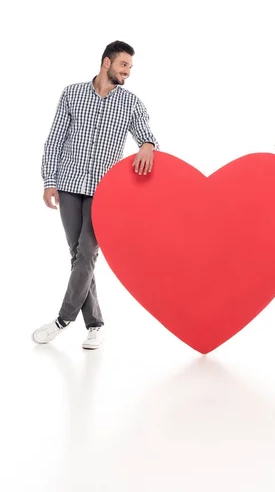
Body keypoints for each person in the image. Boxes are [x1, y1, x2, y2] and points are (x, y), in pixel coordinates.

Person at [32, 40, 158, 350]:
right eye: (124, 65)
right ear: (107, 63)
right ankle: (95, 325)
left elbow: (147, 136)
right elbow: (55, 140)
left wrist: (147, 146)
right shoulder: (72, 93)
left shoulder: (131, 102)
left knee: (87, 252)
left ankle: (62, 320)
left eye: (130, 67)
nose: (128, 71)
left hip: (105, 191)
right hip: (69, 183)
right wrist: (50, 181)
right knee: (79, 256)